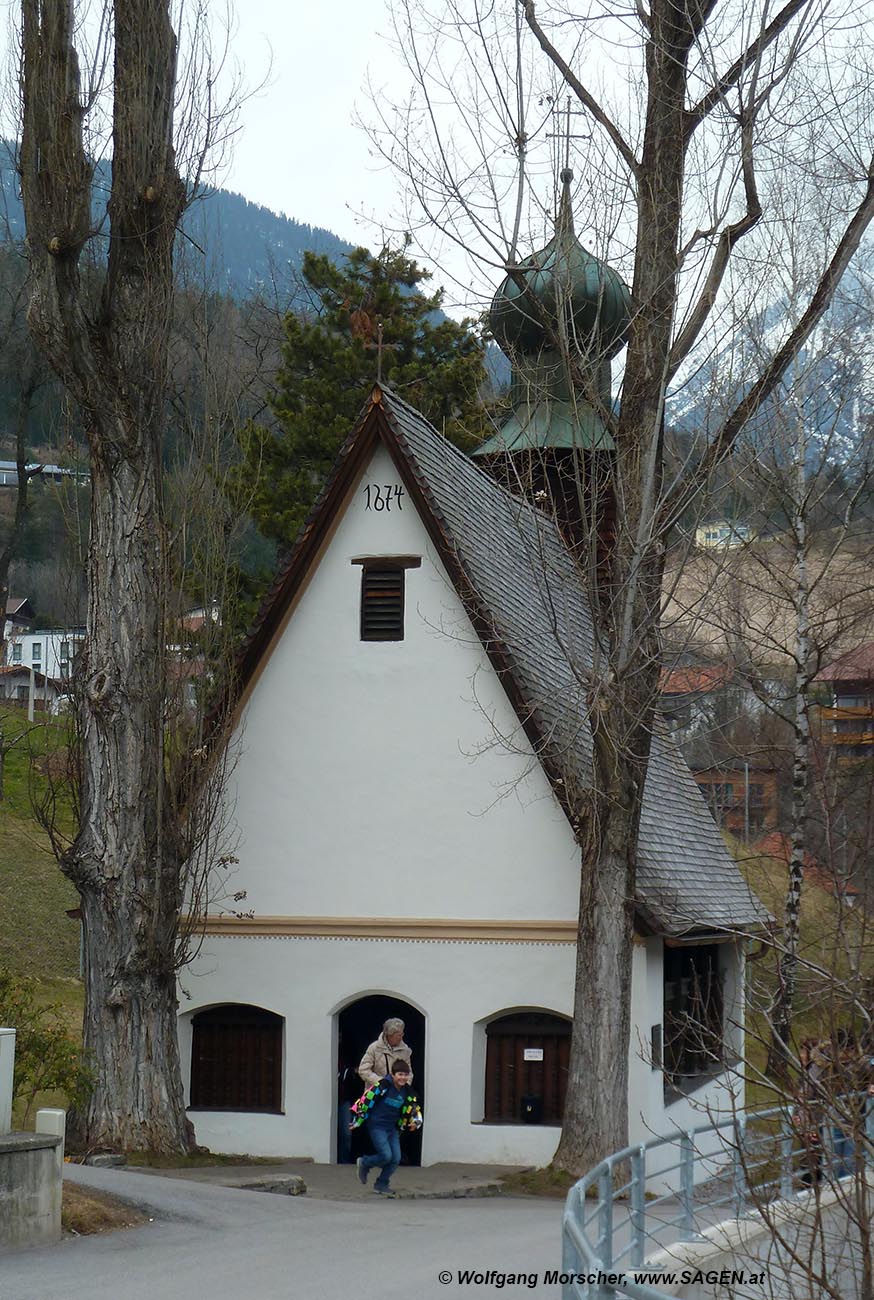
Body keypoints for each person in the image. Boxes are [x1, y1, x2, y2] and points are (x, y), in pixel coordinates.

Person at [351, 1059, 423, 1197]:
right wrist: (357, 1120)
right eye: (400, 1074)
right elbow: (366, 1100)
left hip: (393, 1128)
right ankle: (365, 1163)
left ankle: (381, 1184)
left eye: (405, 1075)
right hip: (377, 1126)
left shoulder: (407, 1092)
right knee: (386, 1155)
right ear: (393, 1074)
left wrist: (416, 1121)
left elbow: (414, 1108)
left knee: (396, 1158)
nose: (403, 1078)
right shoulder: (383, 1086)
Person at [358, 1018, 413, 1088]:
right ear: (390, 1035)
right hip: (375, 1093)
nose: (401, 1037)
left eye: (402, 1034)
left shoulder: (405, 1050)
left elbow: (409, 1073)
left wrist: (403, 1087)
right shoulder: (374, 1048)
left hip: (397, 1094)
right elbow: (363, 1070)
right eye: (399, 1035)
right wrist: (381, 1082)